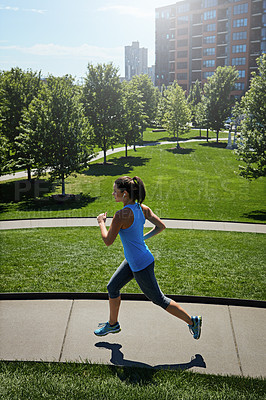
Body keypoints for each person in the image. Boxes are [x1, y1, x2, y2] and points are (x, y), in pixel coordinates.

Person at [94, 176, 202, 339]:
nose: (112, 194)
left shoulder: (121, 215)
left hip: (140, 264)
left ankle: (193, 321)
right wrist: (141, 239)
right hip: (135, 259)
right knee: (112, 287)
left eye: (115, 191)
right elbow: (161, 226)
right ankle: (113, 325)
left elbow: (108, 241)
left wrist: (101, 222)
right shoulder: (142, 208)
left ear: (124, 194)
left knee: (159, 299)